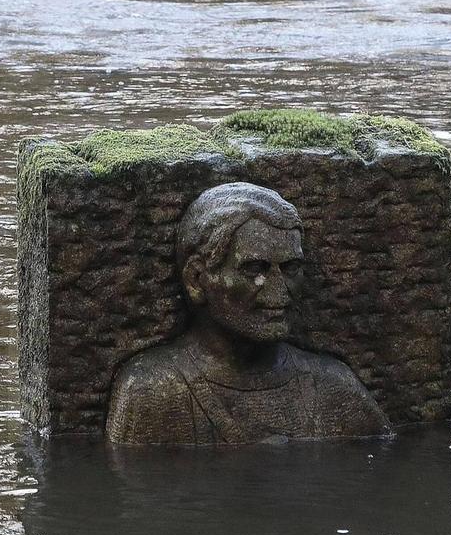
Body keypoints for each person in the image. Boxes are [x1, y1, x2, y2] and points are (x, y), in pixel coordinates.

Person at [106, 182, 391, 445]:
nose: (280, 292)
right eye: (255, 269)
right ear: (197, 279)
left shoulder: (334, 387)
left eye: (291, 269)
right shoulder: (152, 392)